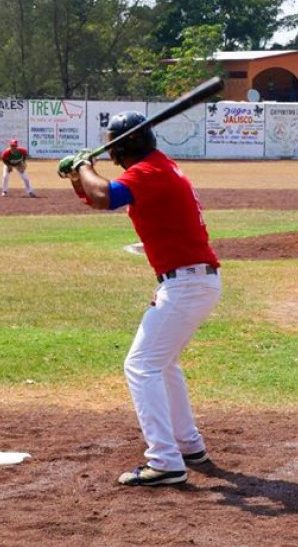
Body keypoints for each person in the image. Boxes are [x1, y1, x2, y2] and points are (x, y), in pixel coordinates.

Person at [58, 113, 221, 487]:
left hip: (188, 282)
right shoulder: (159, 167)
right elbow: (94, 196)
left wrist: (85, 165)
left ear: (120, 148)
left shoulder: (150, 172)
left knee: (141, 366)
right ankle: (188, 445)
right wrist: (77, 177)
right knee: (162, 365)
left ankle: (165, 460)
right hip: (187, 281)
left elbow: (104, 196)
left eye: (112, 145)